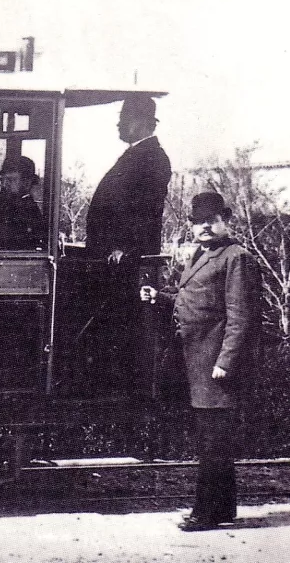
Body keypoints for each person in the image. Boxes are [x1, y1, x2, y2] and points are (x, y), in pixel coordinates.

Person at [140, 192, 261, 531]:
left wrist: (226, 362)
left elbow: (242, 317)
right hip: (197, 362)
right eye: (197, 221)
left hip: (215, 366)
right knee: (213, 440)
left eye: (212, 220)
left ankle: (205, 514)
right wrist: (161, 298)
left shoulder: (237, 258)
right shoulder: (200, 254)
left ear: (227, 221)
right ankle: (222, 509)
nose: (204, 227)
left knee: (213, 443)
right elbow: (190, 299)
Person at [86, 94, 171, 264]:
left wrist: (126, 247)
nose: (120, 124)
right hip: (111, 255)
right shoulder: (136, 155)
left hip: (125, 259)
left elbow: (148, 210)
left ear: (144, 121)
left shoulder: (153, 157)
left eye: (126, 118)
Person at [0, 155, 45, 250]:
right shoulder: (7, 210)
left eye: (11, 180)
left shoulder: (28, 213)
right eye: (2, 180)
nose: (4, 185)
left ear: (27, 183)